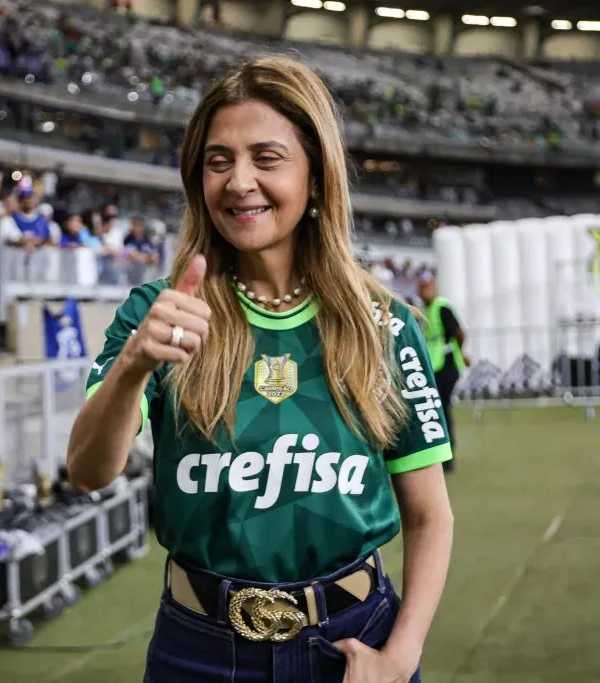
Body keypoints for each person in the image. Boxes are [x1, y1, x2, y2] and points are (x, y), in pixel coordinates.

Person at [67, 56, 454, 683]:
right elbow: (88, 470)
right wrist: (135, 363)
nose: (239, 181)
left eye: (266, 158)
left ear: (317, 178)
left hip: (354, 644)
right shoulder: (158, 312)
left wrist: (399, 658)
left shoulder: (384, 324)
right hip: (197, 651)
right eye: (218, 161)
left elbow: (430, 514)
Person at [416, 272, 468, 473]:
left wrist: (461, 353)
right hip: (432, 367)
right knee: (436, 410)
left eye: (427, 286)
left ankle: (447, 455)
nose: (424, 290)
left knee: (441, 409)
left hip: (446, 367)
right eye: (421, 286)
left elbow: (460, 333)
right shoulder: (424, 310)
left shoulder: (441, 307)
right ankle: (441, 454)